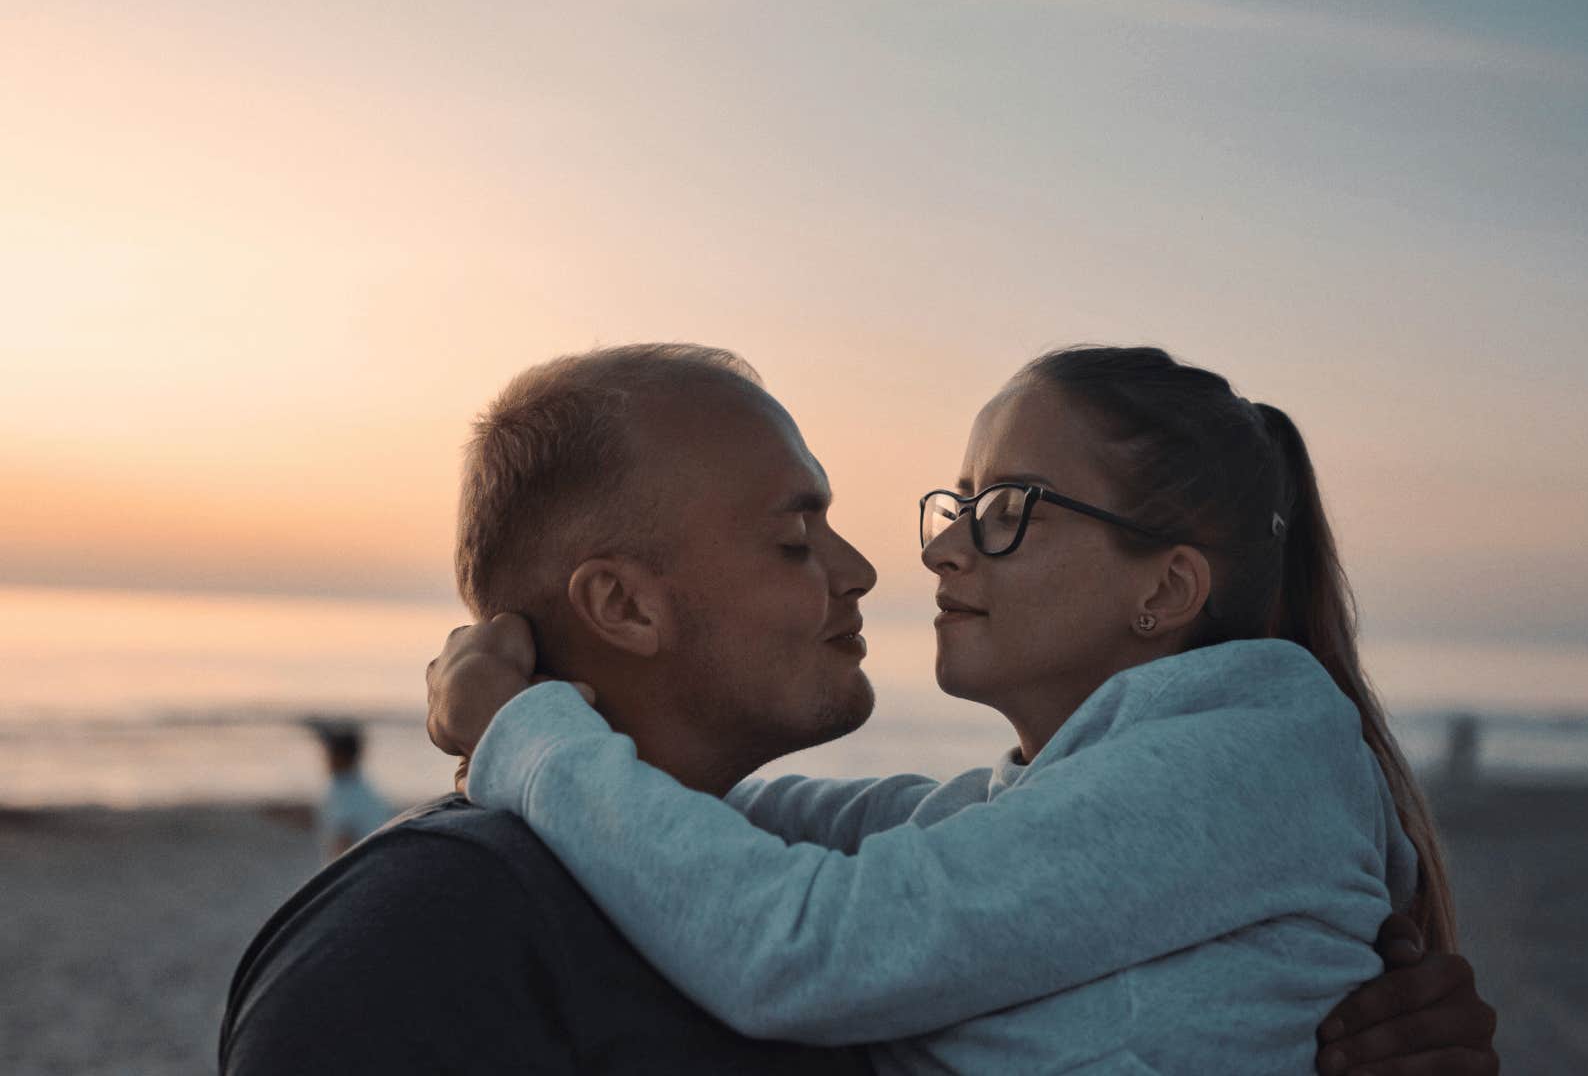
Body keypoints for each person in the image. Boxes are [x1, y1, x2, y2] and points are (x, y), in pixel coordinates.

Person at [428, 344, 1495, 1074]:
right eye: (957, 506)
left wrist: (527, 736)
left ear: (1164, 590)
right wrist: (609, 760)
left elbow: (809, 945)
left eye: (1002, 512)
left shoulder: (1242, 771)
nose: (938, 549)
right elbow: (846, 824)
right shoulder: (1097, 790)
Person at [306, 719, 395, 860]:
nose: (325, 759)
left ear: (341, 756)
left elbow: (343, 841)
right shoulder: (363, 788)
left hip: (360, 872)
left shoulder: (345, 790)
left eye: (330, 753)